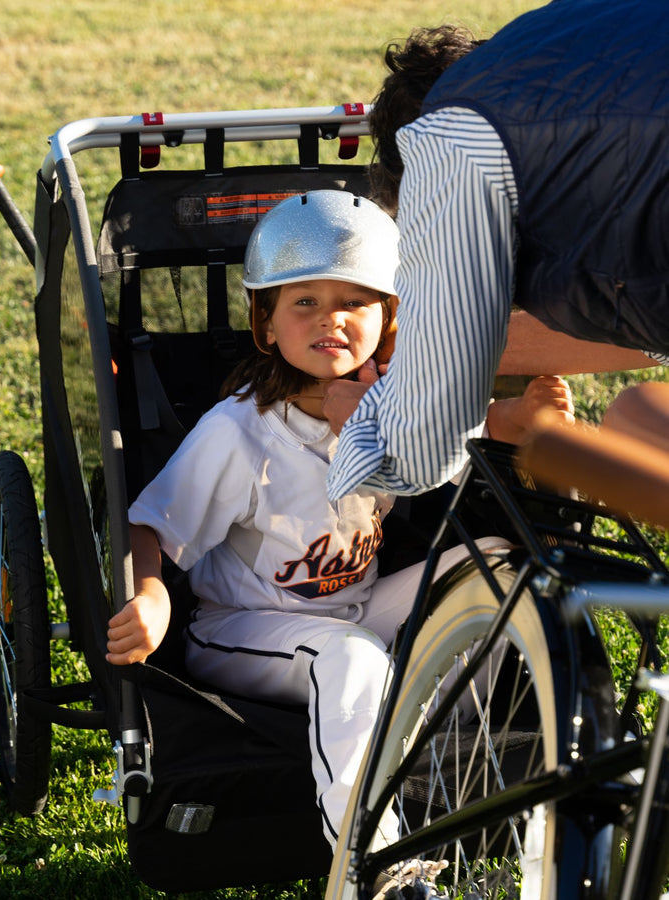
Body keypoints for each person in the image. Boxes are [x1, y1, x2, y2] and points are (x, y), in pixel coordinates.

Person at [104, 190, 575, 848]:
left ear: (388, 318)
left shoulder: (389, 396)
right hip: (245, 626)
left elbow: (454, 429)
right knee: (350, 658)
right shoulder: (239, 431)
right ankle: (371, 864)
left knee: (494, 564)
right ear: (265, 324)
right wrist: (152, 595)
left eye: (354, 301)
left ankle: (428, 748)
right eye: (305, 302)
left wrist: (514, 421)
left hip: (355, 607)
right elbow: (146, 524)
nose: (332, 319)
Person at [326, 1, 668, 502]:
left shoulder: (450, 136)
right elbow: (643, 319)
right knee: (636, 416)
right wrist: (432, 347)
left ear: (408, 177)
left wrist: (366, 425)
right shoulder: (560, 53)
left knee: (632, 428)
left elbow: (425, 453)